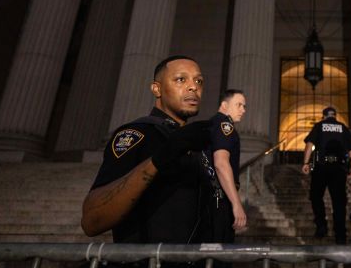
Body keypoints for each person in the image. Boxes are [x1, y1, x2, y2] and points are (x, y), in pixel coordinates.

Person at [81, 55, 210, 244]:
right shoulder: (137, 134)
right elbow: (92, 221)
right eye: (181, 79)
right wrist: (158, 160)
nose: (193, 87)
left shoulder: (195, 143)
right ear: (156, 89)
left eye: (198, 81)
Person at [302, 106, 351, 244]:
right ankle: (340, 234)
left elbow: (309, 145)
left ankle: (321, 226)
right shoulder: (342, 127)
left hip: (321, 167)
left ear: (324, 116)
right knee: (339, 202)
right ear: (335, 116)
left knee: (316, 196)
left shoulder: (319, 126)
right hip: (339, 169)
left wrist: (305, 163)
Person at [201, 89, 247, 248]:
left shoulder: (212, 124)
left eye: (244, 106)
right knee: (219, 253)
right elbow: (221, 163)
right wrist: (236, 203)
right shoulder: (224, 125)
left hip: (209, 200)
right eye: (239, 105)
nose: (243, 110)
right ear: (224, 105)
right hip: (219, 201)